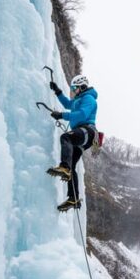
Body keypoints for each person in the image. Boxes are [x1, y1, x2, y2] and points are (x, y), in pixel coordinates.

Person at [46, 74, 98, 212]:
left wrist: (62, 115)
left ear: (83, 86)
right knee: (72, 164)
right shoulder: (78, 100)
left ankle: (64, 167)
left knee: (65, 138)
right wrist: (57, 91)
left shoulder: (89, 98)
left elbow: (82, 114)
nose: (74, 90)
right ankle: (73, 198)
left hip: (87, 131)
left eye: (75, 88)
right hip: (81, 133)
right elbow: (68, 104)